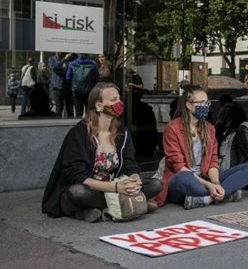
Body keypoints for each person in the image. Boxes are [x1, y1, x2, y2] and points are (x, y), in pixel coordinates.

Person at [41, 82, 162, 222]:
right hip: (91, 188)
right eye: (113, 100)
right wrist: (116, 188)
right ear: (98, 106)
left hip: (114, 186)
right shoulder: (78, 134)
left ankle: (101, 210)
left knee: (155, 184)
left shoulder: (122, 133)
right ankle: (132, 205)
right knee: (77, 192)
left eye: (119, 99)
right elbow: (77, 177)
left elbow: (130, 164)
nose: (119, 103)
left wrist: (134, 180)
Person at [156, 85, 248, 209]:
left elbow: (213, 162)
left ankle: (207, 198)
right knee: (185, 178)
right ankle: (225, 194)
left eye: (207, 102)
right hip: (182, 179)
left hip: (205, 177)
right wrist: (209, 186)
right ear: (189, 105)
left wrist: (215, 183)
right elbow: (179, 167)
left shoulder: (209, 128)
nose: (206, 106)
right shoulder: (173, 128)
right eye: (201, 102)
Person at [48, 52, 74, 117]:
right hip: (57, 86)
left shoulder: (70, 59)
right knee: (59, 108)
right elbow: (54, 67)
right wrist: (64, 60)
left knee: (70, 108)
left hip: (68, 86)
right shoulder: (51, 58)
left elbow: (71, 70)